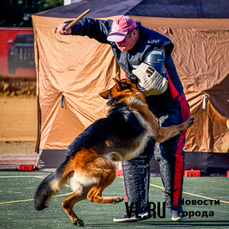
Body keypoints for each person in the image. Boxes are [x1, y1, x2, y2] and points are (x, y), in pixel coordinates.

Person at [58, 16, 190, 222]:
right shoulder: (116, 34)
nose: (117, 43)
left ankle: (175, 207)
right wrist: (72, 27)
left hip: (169, 105)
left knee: (168, 154)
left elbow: (152, 82)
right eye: (115, 39)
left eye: (122, 39)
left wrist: (127, 87)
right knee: (132, 153)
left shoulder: (155, 46)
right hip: (141, 106)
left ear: (134, 33)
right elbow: (95, 26)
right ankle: (137, 209)